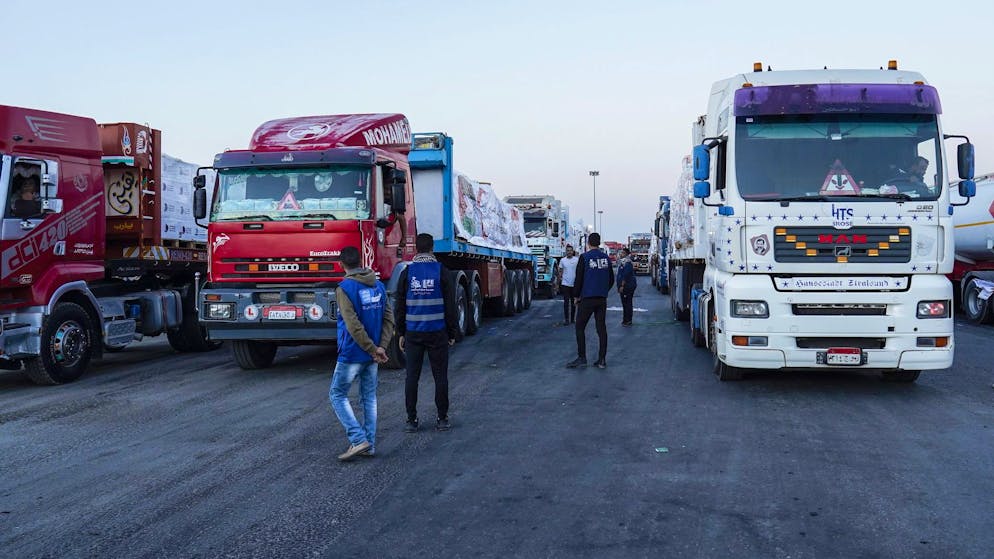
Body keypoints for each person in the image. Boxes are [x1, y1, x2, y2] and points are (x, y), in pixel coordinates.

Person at [329, 246, 394, 461]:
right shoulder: (378, 285)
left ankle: (358, 440)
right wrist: (380, 347)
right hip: (373, 354)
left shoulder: (344, 288)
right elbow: (388, 319)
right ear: (361, 261)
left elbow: (352, 325)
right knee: (368, 397)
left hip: (352, 353)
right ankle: (370, 444)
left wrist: (373, 349)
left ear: (341, 264)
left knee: (337, 394)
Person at [396, 233, 459, 432]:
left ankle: (411, 420)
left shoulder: (407, 273)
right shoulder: (441, 271)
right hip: (437, 333)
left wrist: (401, 333)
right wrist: (452, 332)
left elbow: (400, 306)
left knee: (411, 377)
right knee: (440, 376)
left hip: (414, 333)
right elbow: (450, 306)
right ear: (432, 248)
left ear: (416, 249)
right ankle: (442, 418)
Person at [567, 233, 614, 369]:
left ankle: (582, 357)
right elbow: (611, 279)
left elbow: (579, 278)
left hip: (587, 298)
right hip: (601, 299)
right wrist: (603, 290)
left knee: (580, 327)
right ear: (599, 243)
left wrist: (576, 296)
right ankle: (602, 360)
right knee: (601, 329)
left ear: (588, 243)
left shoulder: (584, 257)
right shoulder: (606, 258)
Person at [556, 244, 579, 325]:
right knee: (566, 303)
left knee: (574, 302)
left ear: (573, 252)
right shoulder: (562, 260)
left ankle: (573, 319)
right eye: (568, 251)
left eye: (570, 251)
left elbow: (579, 271)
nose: (569, 252)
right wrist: (558, 283)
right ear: (566, 252)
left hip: (574, 284)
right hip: (565, 284)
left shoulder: (576, 260)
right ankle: (566, 319)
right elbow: (560, 272)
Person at [616, 248, 637, 326]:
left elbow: (625, 276)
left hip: (627, 287)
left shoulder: (627, 263)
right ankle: (625, 320)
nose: (621, 254)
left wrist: (622, 286)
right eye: (621, 253)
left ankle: (628, 320)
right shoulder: (622, 262)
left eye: (623, 253)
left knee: (627, 303)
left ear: (627, 254)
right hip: (623, 286)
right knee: (624, 304)